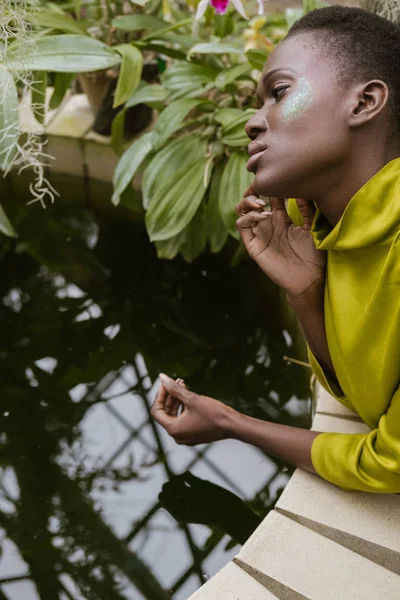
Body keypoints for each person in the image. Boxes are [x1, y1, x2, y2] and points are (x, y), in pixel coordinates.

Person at [151, 6, 400, 493]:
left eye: (279, 93)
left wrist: (230, 423)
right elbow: (366, 399)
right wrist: (306, 294)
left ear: (365, 102)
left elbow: (389, 462)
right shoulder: (342, 229)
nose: (252, 122)